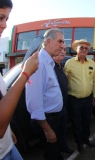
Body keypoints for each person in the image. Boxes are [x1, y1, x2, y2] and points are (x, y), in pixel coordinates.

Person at [0, 1, 39, 159]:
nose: (4, 25)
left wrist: (9, 130)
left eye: (6, 19)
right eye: (0, 17)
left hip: (7, 146)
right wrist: (25, 74)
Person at [26, 28, 65, 160]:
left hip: (54, 117)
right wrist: (47, 128)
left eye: (63, 42)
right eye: (60, 41)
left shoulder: (48, 61)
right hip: (47, 120)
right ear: (48, 41)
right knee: (52, 154)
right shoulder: (39, 63)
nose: (63, 46)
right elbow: (33, 103)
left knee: (55, 150)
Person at [64, 39, 95, 153]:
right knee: (76, 123)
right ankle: (79, 143)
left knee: (86, 121)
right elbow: (64, 81)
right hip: (74, 100)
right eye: (81, 47)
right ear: (76, 49)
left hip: (88, 99)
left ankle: (86, 139)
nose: (84, 49)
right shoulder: (69, 63)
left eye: (86, 48)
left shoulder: (92, 63)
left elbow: (94, 80)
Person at [52, 44, 74, 154]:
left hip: (63, 106)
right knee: (54, 133)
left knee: (63, 129)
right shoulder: (49, 67)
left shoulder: (61, 67)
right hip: (53, 109)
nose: (62, 51)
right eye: (60, 49)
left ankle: (64, 147)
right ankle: (56, 153)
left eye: (64, 50)